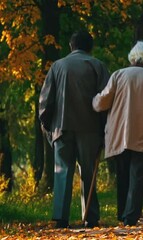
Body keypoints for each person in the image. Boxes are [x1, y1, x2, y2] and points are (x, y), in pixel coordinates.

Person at [92, 41, 143, 226]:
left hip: (119, 134)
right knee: (137, 177)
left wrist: (93, 99)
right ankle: (131, 216)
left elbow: (101, 103)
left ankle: (121, 214)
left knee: (122, 176)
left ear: (132, 56)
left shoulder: (118, 75)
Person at [39, 30, 110, 228]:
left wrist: (47, 126)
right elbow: (107, 101)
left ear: (71, 46)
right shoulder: (98, 66)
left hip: (62, 128)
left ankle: (61, 218)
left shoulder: (57, 66)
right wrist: (106, 129)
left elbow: (45, 101)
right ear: (91, 47)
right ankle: (90, 216)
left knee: (62, 171)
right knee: (88, 172)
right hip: (90, 129)